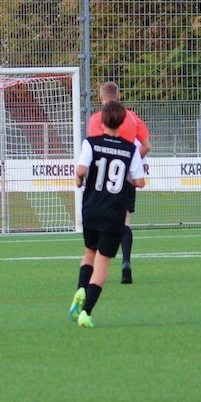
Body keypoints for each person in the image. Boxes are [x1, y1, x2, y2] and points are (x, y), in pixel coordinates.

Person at [69, 100, 146, 328]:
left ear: (101, 121)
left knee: (89, 253)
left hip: (91, 208)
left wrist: (79, 179)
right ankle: (86, 312)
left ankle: (81, 289)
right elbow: (140, 182)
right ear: (122, 123)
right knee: (102, 263)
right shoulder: (130, 148)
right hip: (114, 212)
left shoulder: (91, 143)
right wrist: (125, 176)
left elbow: (81, 170)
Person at [86, 81, 150, 284]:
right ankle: (126, 262)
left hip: (102, 179)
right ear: (119, 96)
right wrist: (130, 165)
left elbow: (95, 149)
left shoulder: (97, 118)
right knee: (124, 222)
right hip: (124, 176)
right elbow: (147, 145)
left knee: (97, 221)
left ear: (100, 98)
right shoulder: (131, 116)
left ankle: (93, 269)